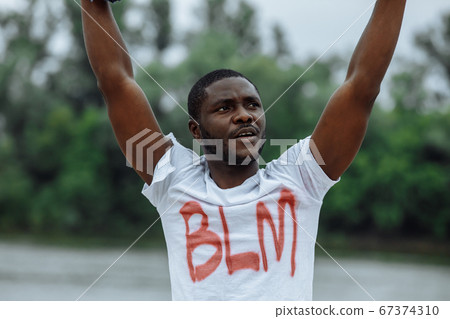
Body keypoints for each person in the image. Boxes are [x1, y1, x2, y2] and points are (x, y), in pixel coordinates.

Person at [81, 0, 407, 300]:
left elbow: (362, 86)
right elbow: (116, 82)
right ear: (196, 130)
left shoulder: (302, 179)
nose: (244, 115)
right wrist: (94, 4)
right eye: (224, 108)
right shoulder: (171, 179)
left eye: (252, 104)